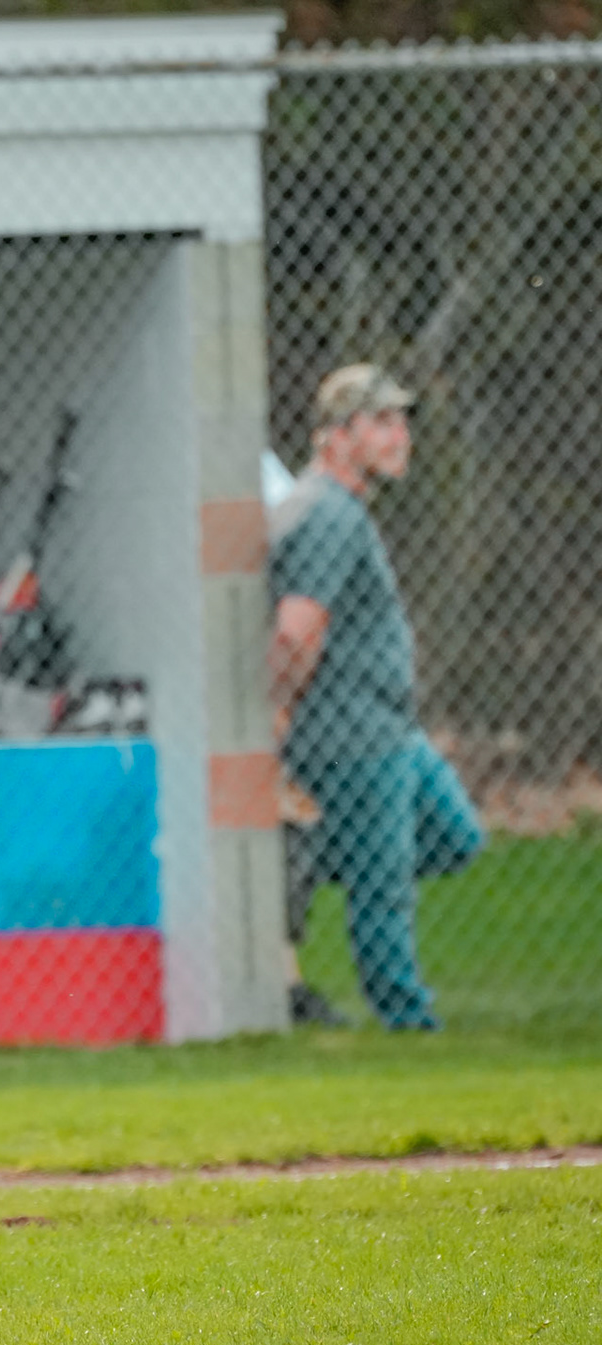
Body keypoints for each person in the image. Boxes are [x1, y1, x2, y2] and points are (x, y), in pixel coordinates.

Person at [267, 364, 484, 1031]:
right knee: (385, 886)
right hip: (353, 730)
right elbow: (296, 628)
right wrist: (279, 708)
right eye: (381, 422)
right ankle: (408, 1020)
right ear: (336, 436)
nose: (400, 436)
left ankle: (310, 867)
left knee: (456, 836)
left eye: (401, 421)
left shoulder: (340, 507)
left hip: (390, 725)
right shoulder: (328, 512)